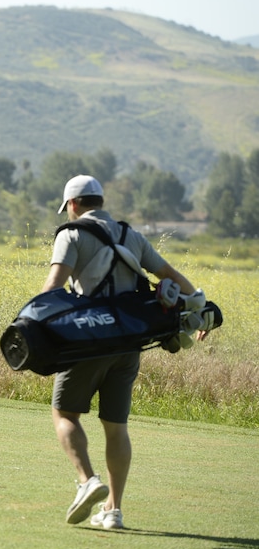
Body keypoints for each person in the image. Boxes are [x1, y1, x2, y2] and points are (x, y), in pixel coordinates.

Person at [42, 175, 206, 530]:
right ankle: (113, 511)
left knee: (65, 414)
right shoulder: (131, 235)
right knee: (116, 427)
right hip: (129, 343)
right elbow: (170, 274)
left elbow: (54, 287)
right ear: (99, 200)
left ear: (72, 205)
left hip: (87, 341)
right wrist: (200, 306)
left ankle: (87, 481)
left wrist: (30, 323)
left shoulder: (70, 234)